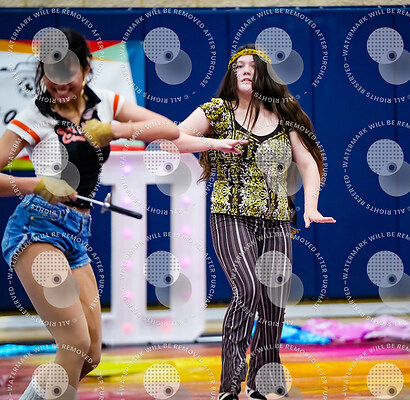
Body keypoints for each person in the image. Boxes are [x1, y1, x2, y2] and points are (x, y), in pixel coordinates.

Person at [0, 28, 244, 400]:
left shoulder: (106, 104)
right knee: (74, 342)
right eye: (52, 78)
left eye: (69, 78)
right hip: (36, 228)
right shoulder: (34, 117)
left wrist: (116, 129)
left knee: (90, 354)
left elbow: (168, 129)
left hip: (76, 232)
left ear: (85, 69)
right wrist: (37, 183)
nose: (61, 88)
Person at [175, 44, 335, 400]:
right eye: (238, 67)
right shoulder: (217, 111)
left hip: (276, 219)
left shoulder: (284, 114)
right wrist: (215, 144)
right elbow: (175, 140)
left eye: (252, 66)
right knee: (247, 290)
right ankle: (229, 387)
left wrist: (311, 207)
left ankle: (262, 384)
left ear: (265, 74)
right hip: (231, 215)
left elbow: (307, 163)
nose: (245, 70)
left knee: (273, 301)